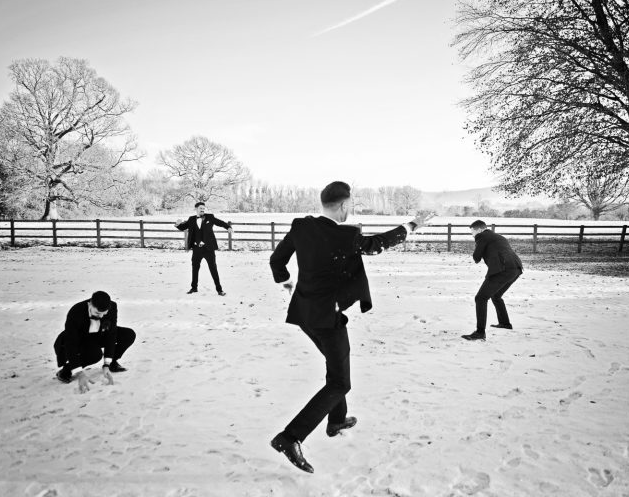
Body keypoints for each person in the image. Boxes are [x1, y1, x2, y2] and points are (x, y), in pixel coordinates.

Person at [268, 181, 432, 473]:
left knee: (337, 364)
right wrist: (412, 225)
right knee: (340, 382)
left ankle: (336, 420)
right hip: (326, 317)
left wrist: (284, 280)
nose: (350, 210)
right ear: (343, 205)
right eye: (350, 205)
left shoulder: (301, 227)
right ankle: (290, 437)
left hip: (304, 313)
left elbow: (277, 259)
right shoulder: (347, 235)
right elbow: (377, 244)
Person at [53, 291, 136, 393]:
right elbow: (71, 343)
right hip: (81, 338)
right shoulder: (76, 311)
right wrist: (79, 372)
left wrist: (106, 365)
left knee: (128, 335)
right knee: (95, 355)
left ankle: (112, 364)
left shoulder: (113, 307)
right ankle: (66, 370)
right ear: (91, 304)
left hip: (100, 333)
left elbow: (111, 335)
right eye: (97, 313)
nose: (101, 316)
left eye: (103, 314)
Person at [462, 220, 523, 341]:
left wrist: (477, 247)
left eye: (472, 231)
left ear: (479, 229)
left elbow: (476, 257)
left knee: (480, 298)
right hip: (516, 268)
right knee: (496, 295)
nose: (472, 234)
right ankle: (505, 323)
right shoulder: (498, 236)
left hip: (502, 270)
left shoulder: (482, 236)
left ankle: (480, 332)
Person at [174, 202, 234, 295]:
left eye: (203, 208)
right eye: (200, 208)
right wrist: (177, 224)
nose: (202, 210)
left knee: (213, 269)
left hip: (208, 249)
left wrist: (228, 227)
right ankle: (194, 288)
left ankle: (219, 290)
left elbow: (220, 222)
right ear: (196, 209)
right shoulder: (191, 219)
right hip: (196, 249)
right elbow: (183, 227)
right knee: (195, 268)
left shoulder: (210, 217)